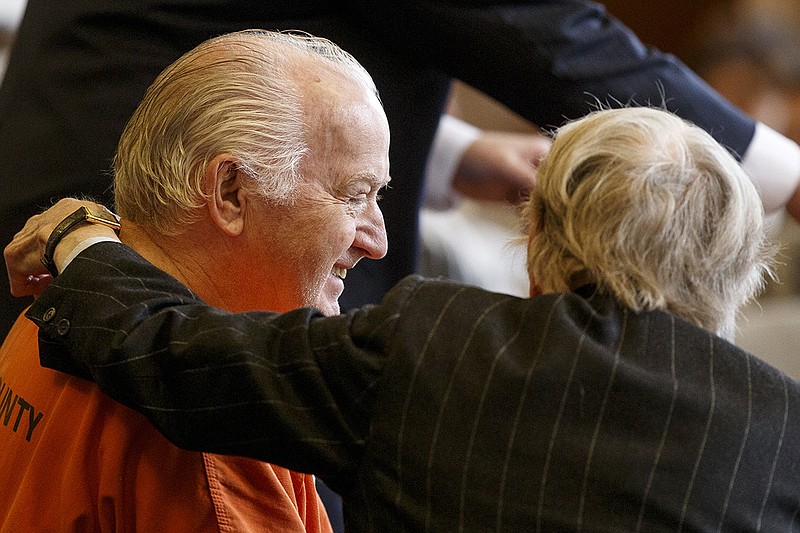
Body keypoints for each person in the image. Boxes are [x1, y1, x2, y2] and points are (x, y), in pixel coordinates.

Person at [11, 107, 800, 531]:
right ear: (736, 271)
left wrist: (80, 229)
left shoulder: (440, 343)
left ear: (541, 245)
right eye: (358, 194)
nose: (377, 235)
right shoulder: (784, 434)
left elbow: (163, 349)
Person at [3, 0, 800, 339]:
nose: (377, 242)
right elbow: (546, 36)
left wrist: (453, 152)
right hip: (128, 248)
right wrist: (789, 179)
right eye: (359, 199)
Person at [0, 28, 400, 531]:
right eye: (354, 195)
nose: (377, 241)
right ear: (230, 191)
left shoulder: (60, 295)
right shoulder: (208, 418)